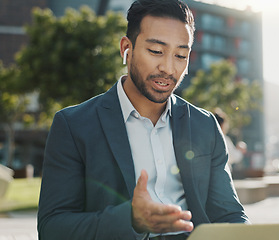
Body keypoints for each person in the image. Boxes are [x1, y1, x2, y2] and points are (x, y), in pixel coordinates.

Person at [37, 1, 249, 239]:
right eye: (156, 51)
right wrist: (130, 219)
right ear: (126, 48)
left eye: (180, 55)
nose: (168, 68)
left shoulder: (205, 126)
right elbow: (52, 228)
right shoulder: (73, 125)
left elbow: (229, 215)